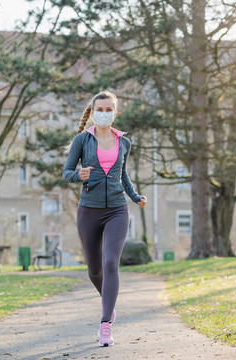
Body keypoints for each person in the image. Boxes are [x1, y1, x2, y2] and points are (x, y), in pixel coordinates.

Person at [62, 91, 147, 347]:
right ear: (93, 111)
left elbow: (123, 175)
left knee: (111, 263)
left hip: (117, 210)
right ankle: (108, 301)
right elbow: (66, 173)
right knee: (95, 270)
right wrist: (80, 175)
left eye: (109, 109)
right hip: (88, 210)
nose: (104, 113)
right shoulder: (82, 140)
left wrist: (134, 196)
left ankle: (105, 324)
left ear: (115, 112)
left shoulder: (124, 142)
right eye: (100, 108)